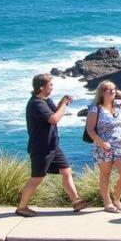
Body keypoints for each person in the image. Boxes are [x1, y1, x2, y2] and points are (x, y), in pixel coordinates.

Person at [15, 73, 91, 217]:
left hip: (53, 146)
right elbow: (54, 119)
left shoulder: (46, 100)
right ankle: (21, 207)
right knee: (36, 178)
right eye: (50, 85)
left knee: (66, 170)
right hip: (41, 148)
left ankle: (76, 201)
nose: (52, 87)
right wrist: (63, 105)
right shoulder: (36, 103)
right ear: (42, 87)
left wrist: (63, 102)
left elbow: (54, 111)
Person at [85, 81, 121, 213]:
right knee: (105, 175)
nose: (112, 92)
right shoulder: (95, 108)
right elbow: (90, 130)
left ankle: (117, 198)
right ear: (102, 92)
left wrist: (118, 92)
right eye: (109, 90)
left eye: (113, 89)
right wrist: (101, 142)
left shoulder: (120, 106)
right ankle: (107, 202)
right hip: (103, 147)